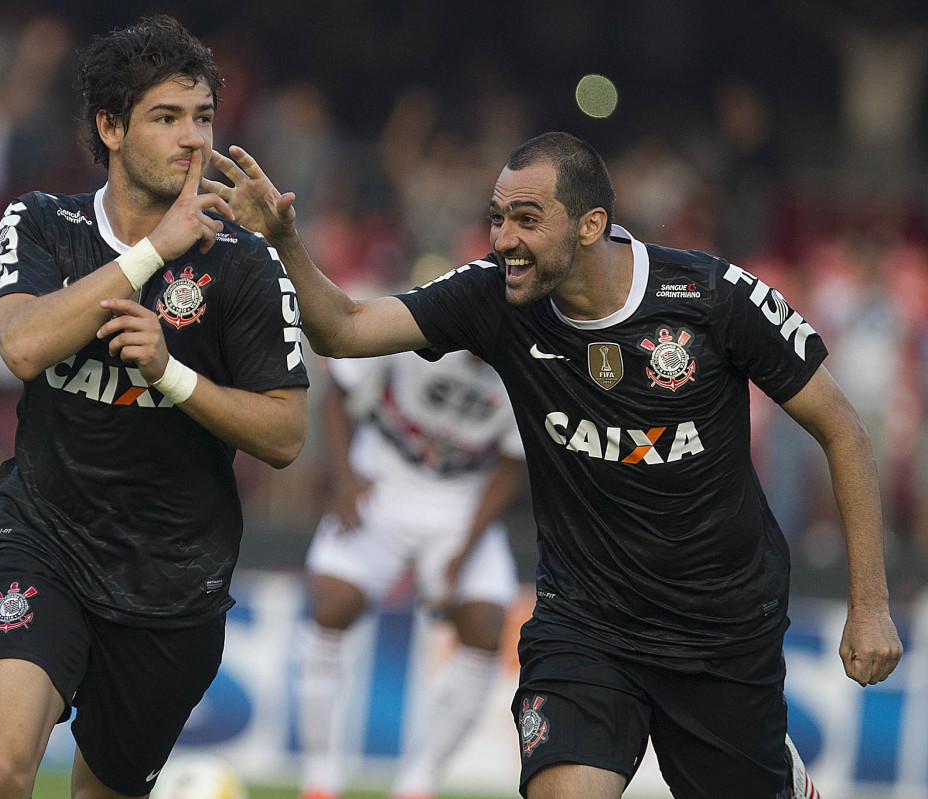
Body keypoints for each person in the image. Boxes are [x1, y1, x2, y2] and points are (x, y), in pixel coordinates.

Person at [205, 131, 903, 799]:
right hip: (585, 625)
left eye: (527, 219)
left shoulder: (713, 298)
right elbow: (346, 329)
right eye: (498, 217)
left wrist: (869, 603)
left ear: (591, 223)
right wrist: (286, 240)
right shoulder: (496, 297)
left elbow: (844, 429)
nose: (503, 238)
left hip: (717, 632)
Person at [0, 16, 309, 799]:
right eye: (166, 117)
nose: (193, 139)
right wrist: (153, 251)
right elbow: (22, 346)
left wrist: (172, 374)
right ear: (110, 128)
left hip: (175, 583)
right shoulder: (44, 221)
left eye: (203, 117)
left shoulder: (246, 265)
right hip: (47, 540)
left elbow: (286, 433)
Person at [299, 349, 525, 799]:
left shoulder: (526, 357)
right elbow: (335, 392)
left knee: (485, 625)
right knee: (331, 602)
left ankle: (419, 781)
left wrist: (463, 551)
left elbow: (512, 463)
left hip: (462, 501)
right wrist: (344, 480)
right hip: (382, 477)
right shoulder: (419, 319)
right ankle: (319, 776)